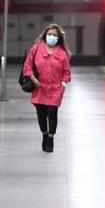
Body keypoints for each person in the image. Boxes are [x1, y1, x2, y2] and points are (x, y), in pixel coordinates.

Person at [22, 24, 72, 153]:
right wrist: (34, 80)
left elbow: (67, 72)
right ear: (45, 35)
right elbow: (27, 66)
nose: (52, 37)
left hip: (56, 88)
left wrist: (63, 85)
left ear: (59, 38)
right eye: (50, 34)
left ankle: (51, 138)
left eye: (55, 35)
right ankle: (44, 134)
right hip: (39, 87)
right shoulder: (36, 49)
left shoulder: (62, 53)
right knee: (41, 114)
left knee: (52, 112)